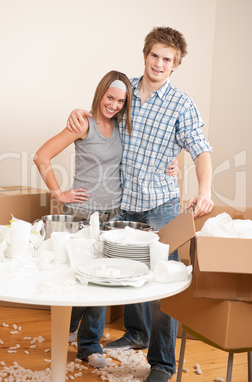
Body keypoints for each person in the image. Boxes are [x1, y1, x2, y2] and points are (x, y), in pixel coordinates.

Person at [66, 26, 214, 382]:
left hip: (160, 203)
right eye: (154, 56)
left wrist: (204, 189)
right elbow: (101, 118)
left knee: (162, 282)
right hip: (121, 202)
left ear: (175, 65)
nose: (159, 64)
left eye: (167, 59)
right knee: (107, 273)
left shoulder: (181, 104)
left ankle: (162, 364)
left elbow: (200, 149)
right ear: (145, 54)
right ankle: (98, 341)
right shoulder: (125, 92)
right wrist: (78, 114)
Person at [33, 70, 134, 369]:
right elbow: (42, 156)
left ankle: (85, 342)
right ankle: (80, 337)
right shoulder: (83, 124)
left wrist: (172, 165)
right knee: (79, 279)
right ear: (101, 93)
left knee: (102, 281)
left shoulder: (122, 127)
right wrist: (59, 193)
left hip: (112, 216)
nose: (114, 105)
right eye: (110, 98)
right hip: (81, 216)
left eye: (120, 101)